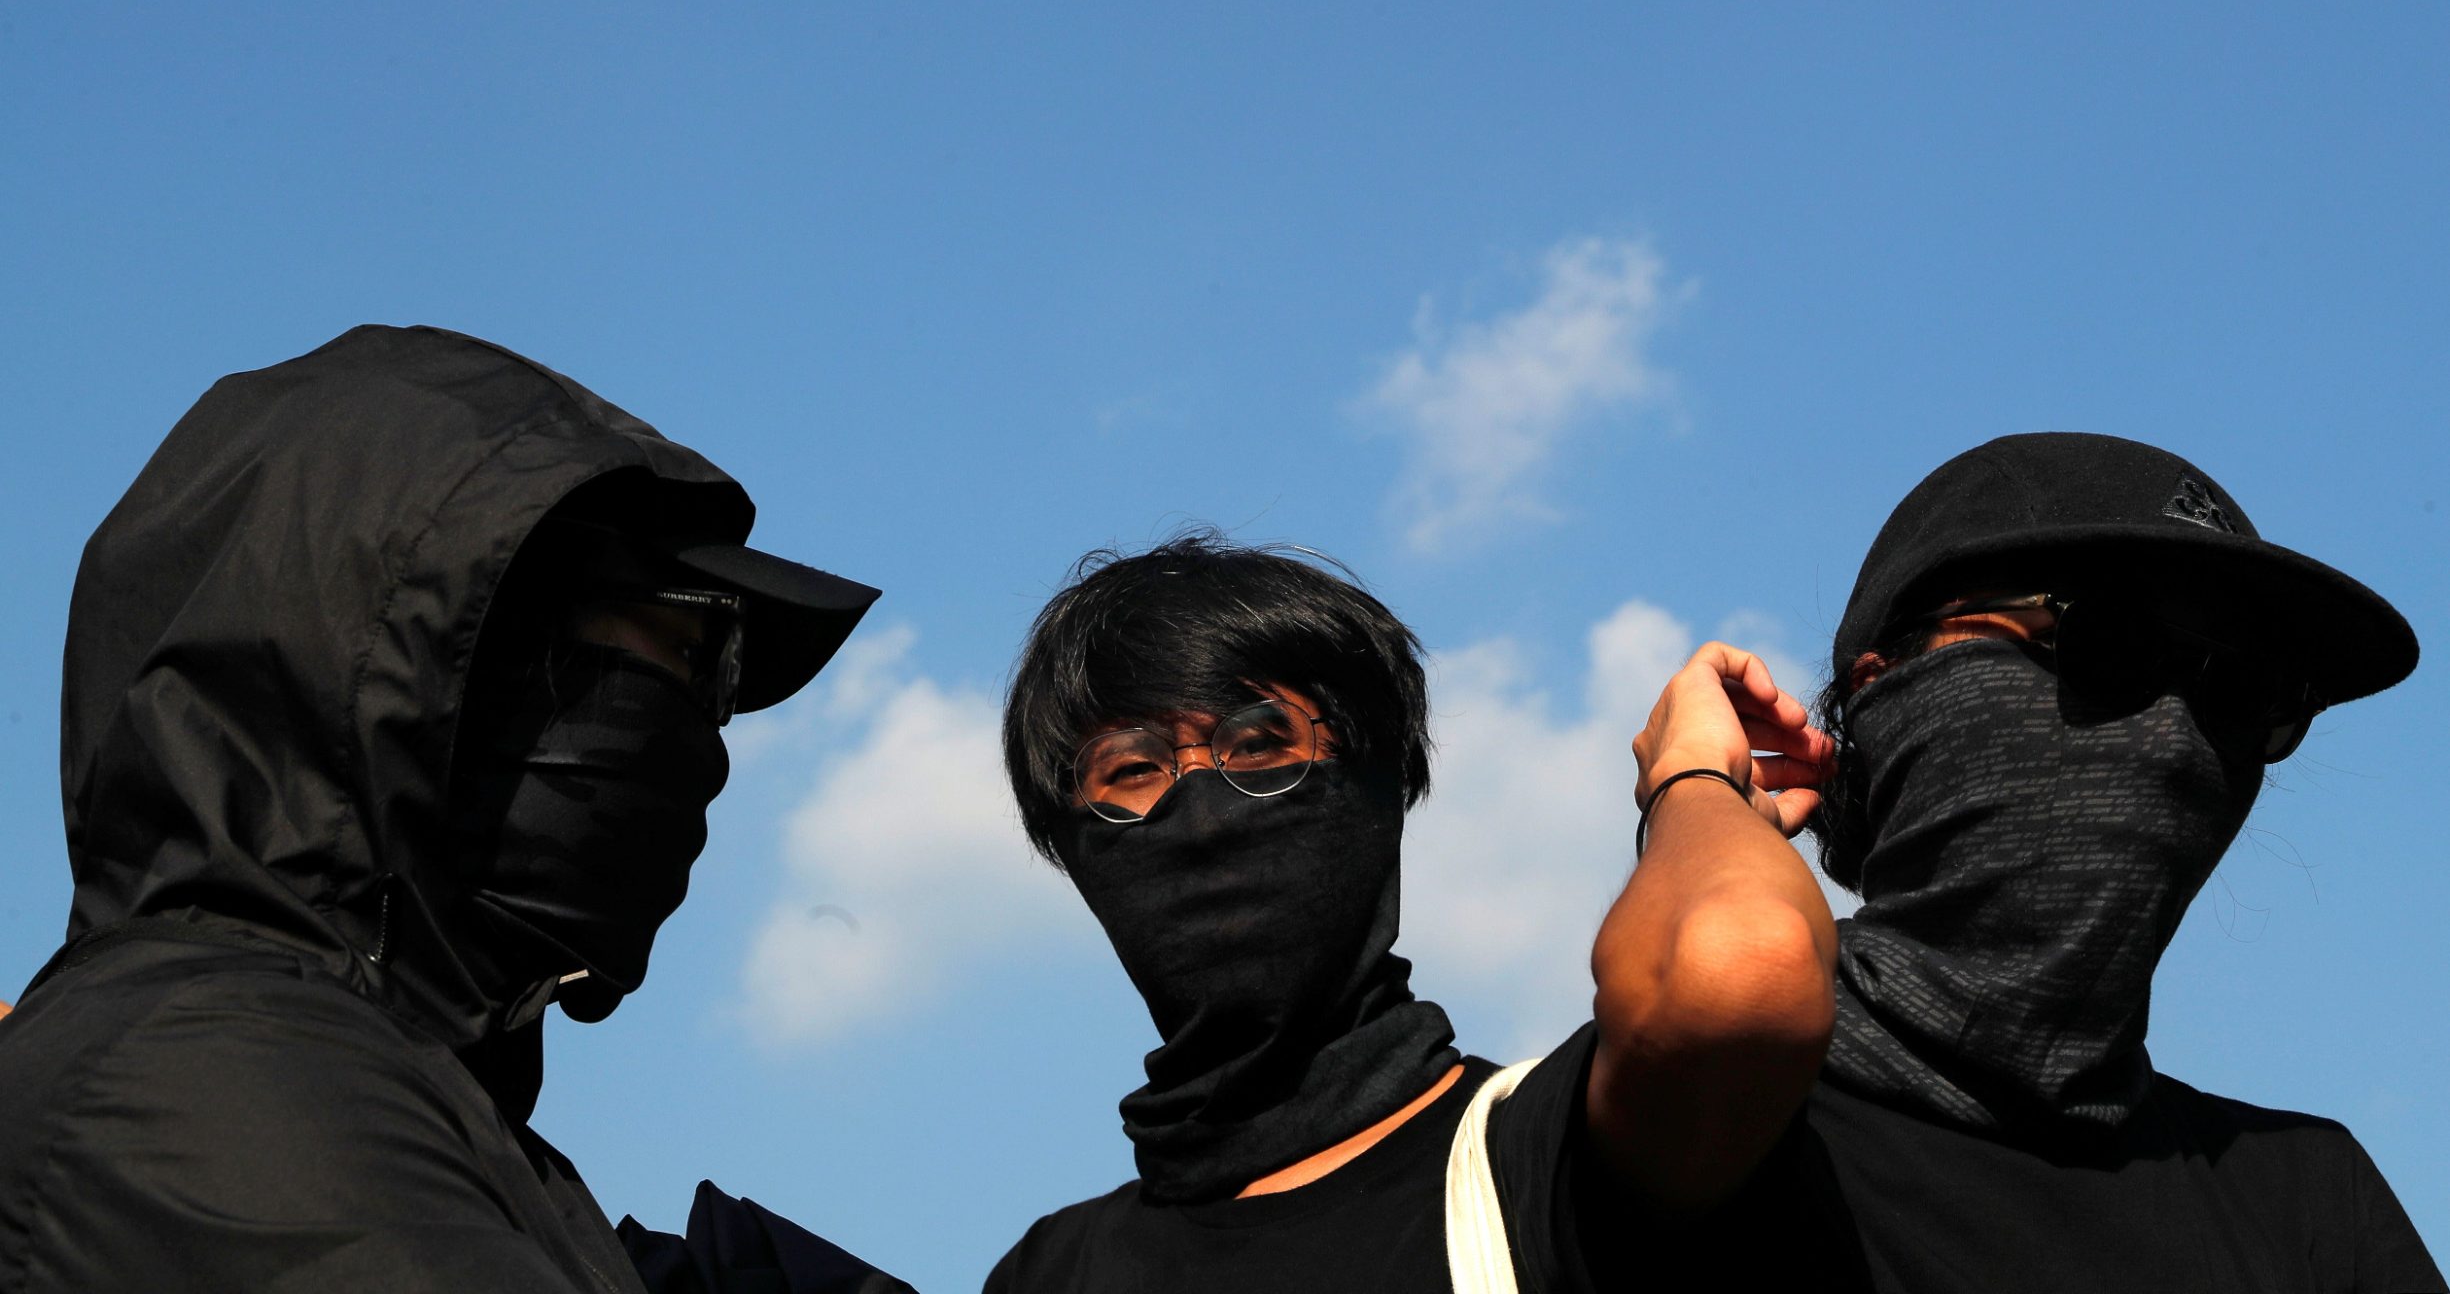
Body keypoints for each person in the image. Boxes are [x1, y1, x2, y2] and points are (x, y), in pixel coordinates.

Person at [0, 325, 889, 1294]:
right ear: (468, 651)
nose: (707, 740)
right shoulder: (190, 1085)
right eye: (689, 653)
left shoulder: (437, 1127)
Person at [986, 531, 1838, 1294]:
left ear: (1381, 789)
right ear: (1072, 849)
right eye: (1132, 770)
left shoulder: (1550, 1164)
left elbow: (1744, 964)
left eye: (1259, 744)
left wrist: (1690, 779)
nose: (1203, 814)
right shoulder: (1053, 1272)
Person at [1778, 432, 2441, 1291]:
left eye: (2245, 692)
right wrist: (1699, 793)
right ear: (1885, 689)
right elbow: (1717, 980)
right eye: (2110, 643)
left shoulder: (2315, 1202)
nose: (2174, 740)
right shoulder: (1700, 1115)